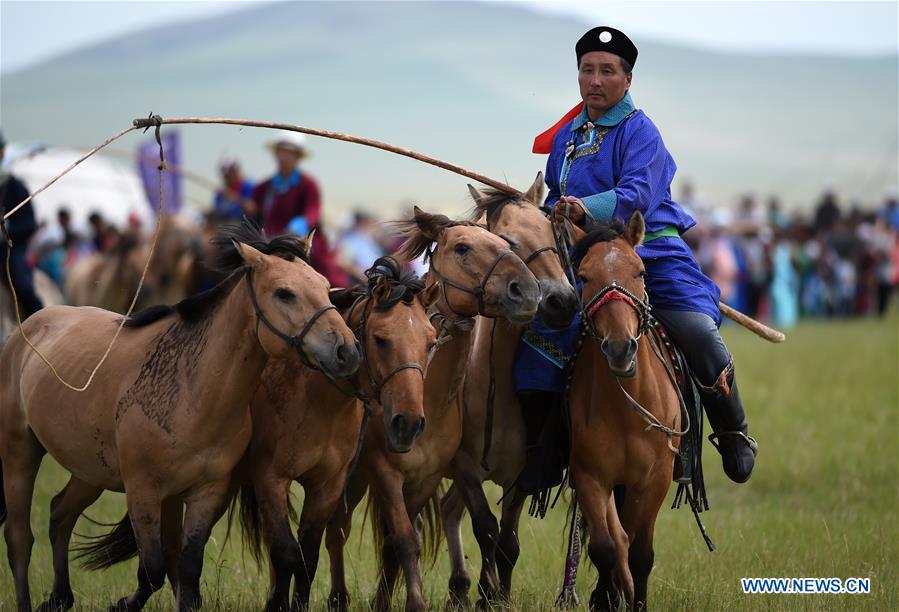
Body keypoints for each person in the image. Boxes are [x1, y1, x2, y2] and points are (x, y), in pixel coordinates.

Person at [519, 27, 757, 491]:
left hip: (648, 251)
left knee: (698, 335)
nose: (595, 80)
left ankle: (732, 432)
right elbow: (555, 196)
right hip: (584, 258)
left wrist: (585, 207)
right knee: (535, 328)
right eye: (587, 70)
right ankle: (543, 449)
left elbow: (636, 197)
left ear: (627, 80)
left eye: (607, 71)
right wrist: (546, 210)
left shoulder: (640, 131)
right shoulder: (568, 135)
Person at [250, 132, 349, 286]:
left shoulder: (308, 185)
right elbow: (255, 213)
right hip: (269, 245)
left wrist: (296, 227)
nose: (284, 156)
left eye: (290, 152)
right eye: (281, 151)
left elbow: (312, 214)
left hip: (302, 245)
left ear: (298, 157)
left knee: (329, 280)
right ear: (275, 153)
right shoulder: (263, 188)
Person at [0, 130, 44, 317]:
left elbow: (29, 223)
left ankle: (39, 322)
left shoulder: (15, 186)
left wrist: (7, 230)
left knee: (23, 285)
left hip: (10, 252)